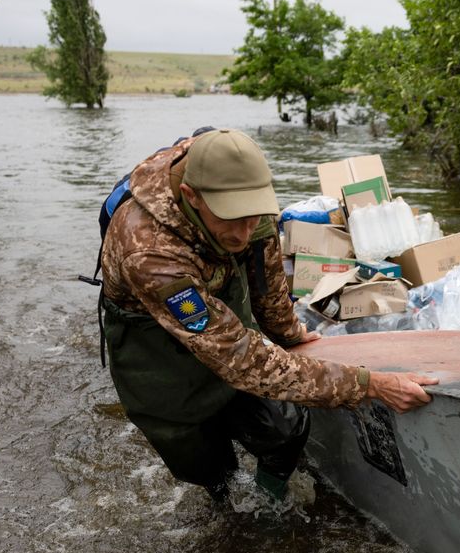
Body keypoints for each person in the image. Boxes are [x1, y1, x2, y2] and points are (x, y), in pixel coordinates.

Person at [99, 128, 438, 503]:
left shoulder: (241, 192)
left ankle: (267, 502)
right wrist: (368, 385)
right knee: (204, 462)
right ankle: (226, 504)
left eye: (252, 218)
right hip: (155, 349)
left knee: (286, 426)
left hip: (219, 310)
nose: (244, 233)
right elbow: (240, 358)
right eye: (231, 220)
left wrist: (288, 332)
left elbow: (266, 275)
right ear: (191, 197)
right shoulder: (148, 253)